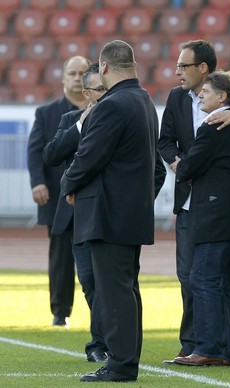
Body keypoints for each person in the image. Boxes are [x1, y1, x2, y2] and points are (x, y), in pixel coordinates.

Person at [157, 39, 230, 365]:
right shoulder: (177, 98)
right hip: (228, 208)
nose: (178, 71)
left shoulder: (226, 112)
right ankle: (229, 351)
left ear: (204, 70)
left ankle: (207, 348)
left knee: (204, 277)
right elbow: (165, 140)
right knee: (219, 280)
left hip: (214, 209)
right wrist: (176, 162)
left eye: (184, 65)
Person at [61, 40, 166, 382]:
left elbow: (88, 155)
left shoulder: (112, 104)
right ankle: (126, 360)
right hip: (129, 213)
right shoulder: (144, 101)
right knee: (126, 288)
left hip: (107, 213)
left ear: (104, 68)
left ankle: (121, 365)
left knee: (114, 290)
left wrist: (69, 185)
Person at [171, 71, 230, 367]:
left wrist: (184, 166)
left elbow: (188, 169)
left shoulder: (212, 126)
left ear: (223, 97)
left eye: (206, 92)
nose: (200, 96)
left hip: (217, 216)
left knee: (203, 277)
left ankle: (209, 347)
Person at [42, 63, 108, 363]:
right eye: (100, 89)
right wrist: (80, 126)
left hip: (111, 215)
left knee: (113, 283)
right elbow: (52, 154)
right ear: (87, 93)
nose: (106, 94)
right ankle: (102, 340)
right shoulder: (70, 120)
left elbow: (154, 171)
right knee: (90, 282)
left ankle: (105, 343)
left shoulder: (123, 120)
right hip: (76, 216)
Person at [27, 55, 90, 327]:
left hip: (90, 195)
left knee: (94, 255)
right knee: (61, 255)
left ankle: (98, 315)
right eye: (72, 73)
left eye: (82, 73)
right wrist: (37, 182)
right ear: (63, 77)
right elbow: (36, 151)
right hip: (56, 194)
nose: (77, 78)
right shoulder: (46, 113)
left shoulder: (102, 110)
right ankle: (60, 312)